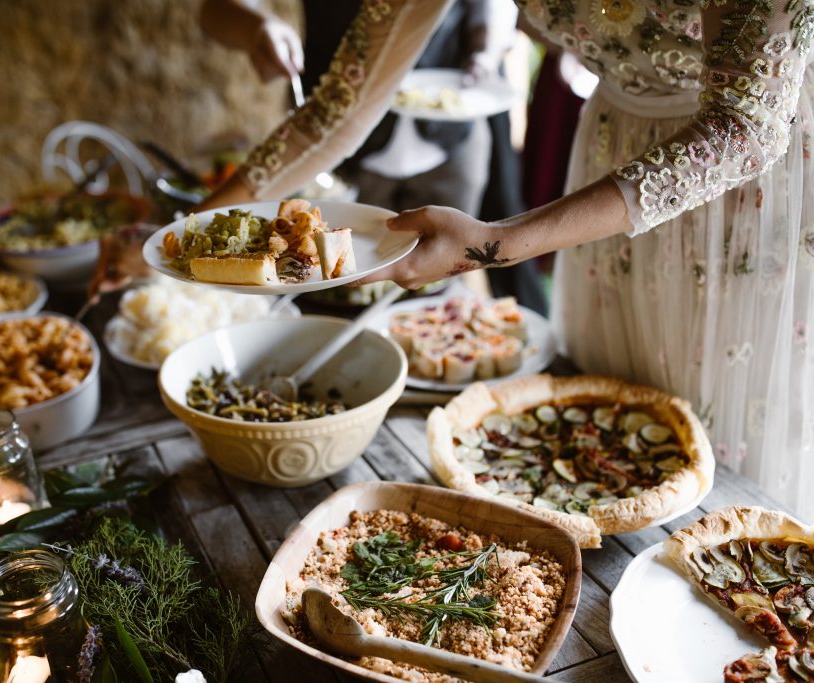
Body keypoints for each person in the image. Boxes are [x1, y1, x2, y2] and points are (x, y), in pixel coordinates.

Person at [200, 0, 814, 519]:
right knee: (604, 430)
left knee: (726, 452)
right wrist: (190, 230)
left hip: (742, 193)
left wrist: (492, 243)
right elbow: (334, 111)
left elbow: (746, 128)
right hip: (609, 157)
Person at [198, 0, 548, 313]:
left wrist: (487, 48)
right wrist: (257, 26)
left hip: (454, 139)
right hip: (340, 163)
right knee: (343, 291)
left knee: (440, 296)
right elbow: (213, 10)